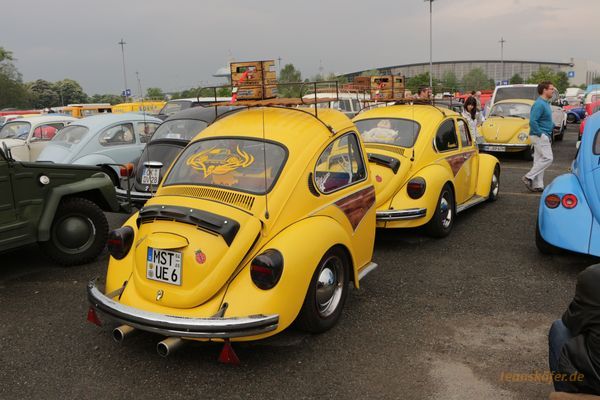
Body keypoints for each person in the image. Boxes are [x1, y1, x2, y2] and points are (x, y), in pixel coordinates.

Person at [548, 264, 600, 394]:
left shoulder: (593, 276)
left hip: (596, 383)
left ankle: (568, 393)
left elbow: (571, 320)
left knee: (559, 328)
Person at [522, 81, 555, 192]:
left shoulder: (545, 103)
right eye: (551, 89)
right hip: (540, 135)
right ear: (544, 90)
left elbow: (544, 120)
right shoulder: (539, 104)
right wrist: (541, 134)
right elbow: (533, 121)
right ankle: (528, 177)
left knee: (539, 161)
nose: (553, 91)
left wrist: (552, 125)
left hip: (542, 134)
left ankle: (538, 185)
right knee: (548, 158)